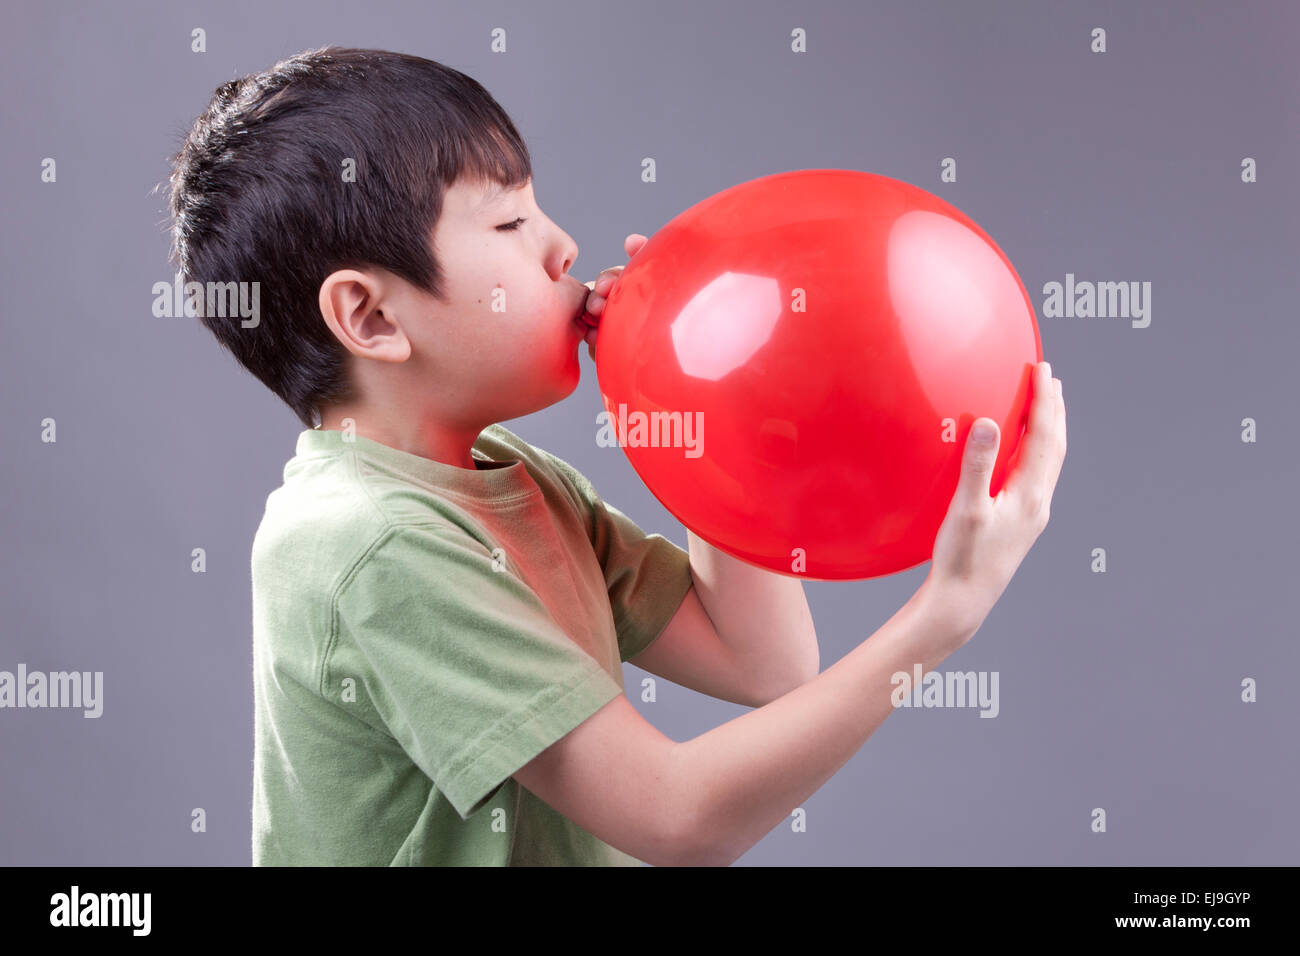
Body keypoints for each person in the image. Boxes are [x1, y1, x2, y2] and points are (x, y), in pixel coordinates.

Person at [165, 46, 1067, 866]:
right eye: (511, 225)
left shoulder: (509, 474)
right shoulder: (367, 547)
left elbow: (765, 665)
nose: (563, 247)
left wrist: (708, 405)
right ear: (370, 317)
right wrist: (944, 614)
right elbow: (679, 820)